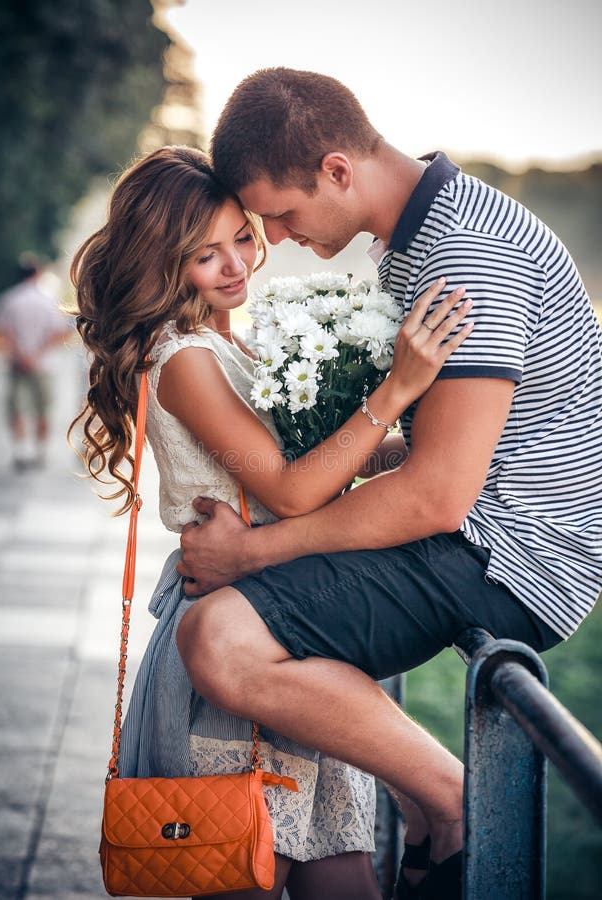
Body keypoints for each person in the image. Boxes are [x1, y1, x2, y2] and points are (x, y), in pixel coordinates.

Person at [174, 68, 602, 900]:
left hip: (510, 558)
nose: (280, 238)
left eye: (282, 214)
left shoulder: (464, 254)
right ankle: (425, 825)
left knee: (220, 638)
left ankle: (449, 801)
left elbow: (436, 496)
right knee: (224, 635)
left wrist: (251, 554)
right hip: (475, 533)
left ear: (338, 169)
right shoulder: (421, 239)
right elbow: (445, 445)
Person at [67, 145, 472, 900]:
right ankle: (439, 808)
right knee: (244, 869)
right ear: (161, 262)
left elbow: (311, 476)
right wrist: (393, 389)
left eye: (242, 238)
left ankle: (431, 824)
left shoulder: (234, 343)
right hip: (233, 638)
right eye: (203, 254)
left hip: (288, 628)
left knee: (342, 868)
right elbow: (288, 493)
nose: (234, 266)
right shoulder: (185, 359)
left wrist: (419, 452)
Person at [0, 253, 68, 471]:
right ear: (38, 274)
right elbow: (59, 333)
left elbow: (3, 333)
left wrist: (21, 355)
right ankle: (40, 451)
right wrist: (37, 354)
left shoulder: (9, 299)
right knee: (42, 408)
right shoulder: (49, 301)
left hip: (17, 363)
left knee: (17, 407)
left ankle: (21, 450)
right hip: (44, 364)